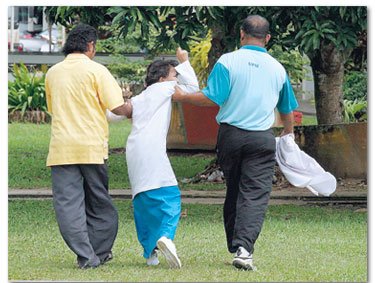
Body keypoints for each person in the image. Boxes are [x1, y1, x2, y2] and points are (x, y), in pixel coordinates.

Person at [172, 15, 298, 270]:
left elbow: (212, 97)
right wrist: (288, 132)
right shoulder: (278, 68)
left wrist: (183, 96)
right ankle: (244, 248)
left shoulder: (228, 61)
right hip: (262, 139)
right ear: (268, 38)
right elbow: (286, 108)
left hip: (231, 137)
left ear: (242, 34)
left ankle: (236, 243)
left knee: (235, 189)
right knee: (255, 193)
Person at [45, 23, 132, 269]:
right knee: (99, 201)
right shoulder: (97, 71)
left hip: (61, 148)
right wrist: (134, 107)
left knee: (68, 205)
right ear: (91, 45)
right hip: (92, 147)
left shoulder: (53, 73)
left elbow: (53, 110)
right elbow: (117, 108)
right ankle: (101, 252)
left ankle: (86, 255)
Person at [108, 48, 199, 268]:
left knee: (143, 199)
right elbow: (193, 89)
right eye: (173, 75)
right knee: (171, 197)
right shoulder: (165, 88)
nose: (176, 79)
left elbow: (113, 115)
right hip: (152, 149)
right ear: (162, 79)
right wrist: (184, 62)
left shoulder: (140, 97)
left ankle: (150, 253)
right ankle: (166, 236)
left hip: (134, 149)